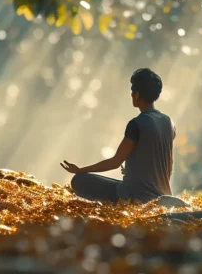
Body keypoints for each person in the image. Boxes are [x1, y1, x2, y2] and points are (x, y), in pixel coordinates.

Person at [60, 68, 174, 203]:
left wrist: (80, 170)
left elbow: (115, 162)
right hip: (162, 195)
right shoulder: (169, 122)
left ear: (136, 94)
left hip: (135, 196)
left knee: (80, 180)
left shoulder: (136, 124)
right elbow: (168, 163)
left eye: (132, 92)